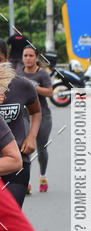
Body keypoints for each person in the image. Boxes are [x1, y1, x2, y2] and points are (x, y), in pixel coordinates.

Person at [0, 62, 41, 207]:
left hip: (16, 163)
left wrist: (32, 136)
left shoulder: (21, 85)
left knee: (8, 221)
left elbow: (36, 111)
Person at [20, 46, 53, 192]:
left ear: (36, 58)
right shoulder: (18, 72)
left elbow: (50, 93)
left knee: (41, 148)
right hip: (24, 116)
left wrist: (34, 86)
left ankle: (43, 176)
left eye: (31, 55)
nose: (28, 58)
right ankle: (25, 182)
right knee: (25, 148)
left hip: (42, 115)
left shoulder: (42, 74)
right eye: (25, 55)